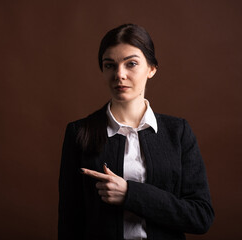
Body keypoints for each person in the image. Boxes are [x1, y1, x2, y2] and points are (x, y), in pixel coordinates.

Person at [58, 24, 214, 240]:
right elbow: (69, 221)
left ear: (151, 69)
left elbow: (201, 216)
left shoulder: (178, 132)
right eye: (110, 65)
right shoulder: (78, 132)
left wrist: (130, 194)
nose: (119, 75)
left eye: (131, 64)